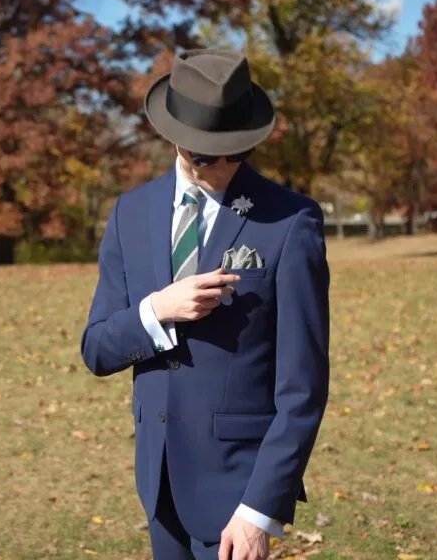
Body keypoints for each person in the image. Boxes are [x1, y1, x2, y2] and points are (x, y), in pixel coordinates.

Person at [80, 49, 330, 560]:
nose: (221, 169)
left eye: (234, 153)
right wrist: (157, 310)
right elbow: (97, 350)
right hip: (159, 485)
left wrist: (260, 509)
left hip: (239, 498)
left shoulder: (292, 221)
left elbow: (303, 386)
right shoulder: (131, 213)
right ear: (175, 138)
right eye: (205, 157)